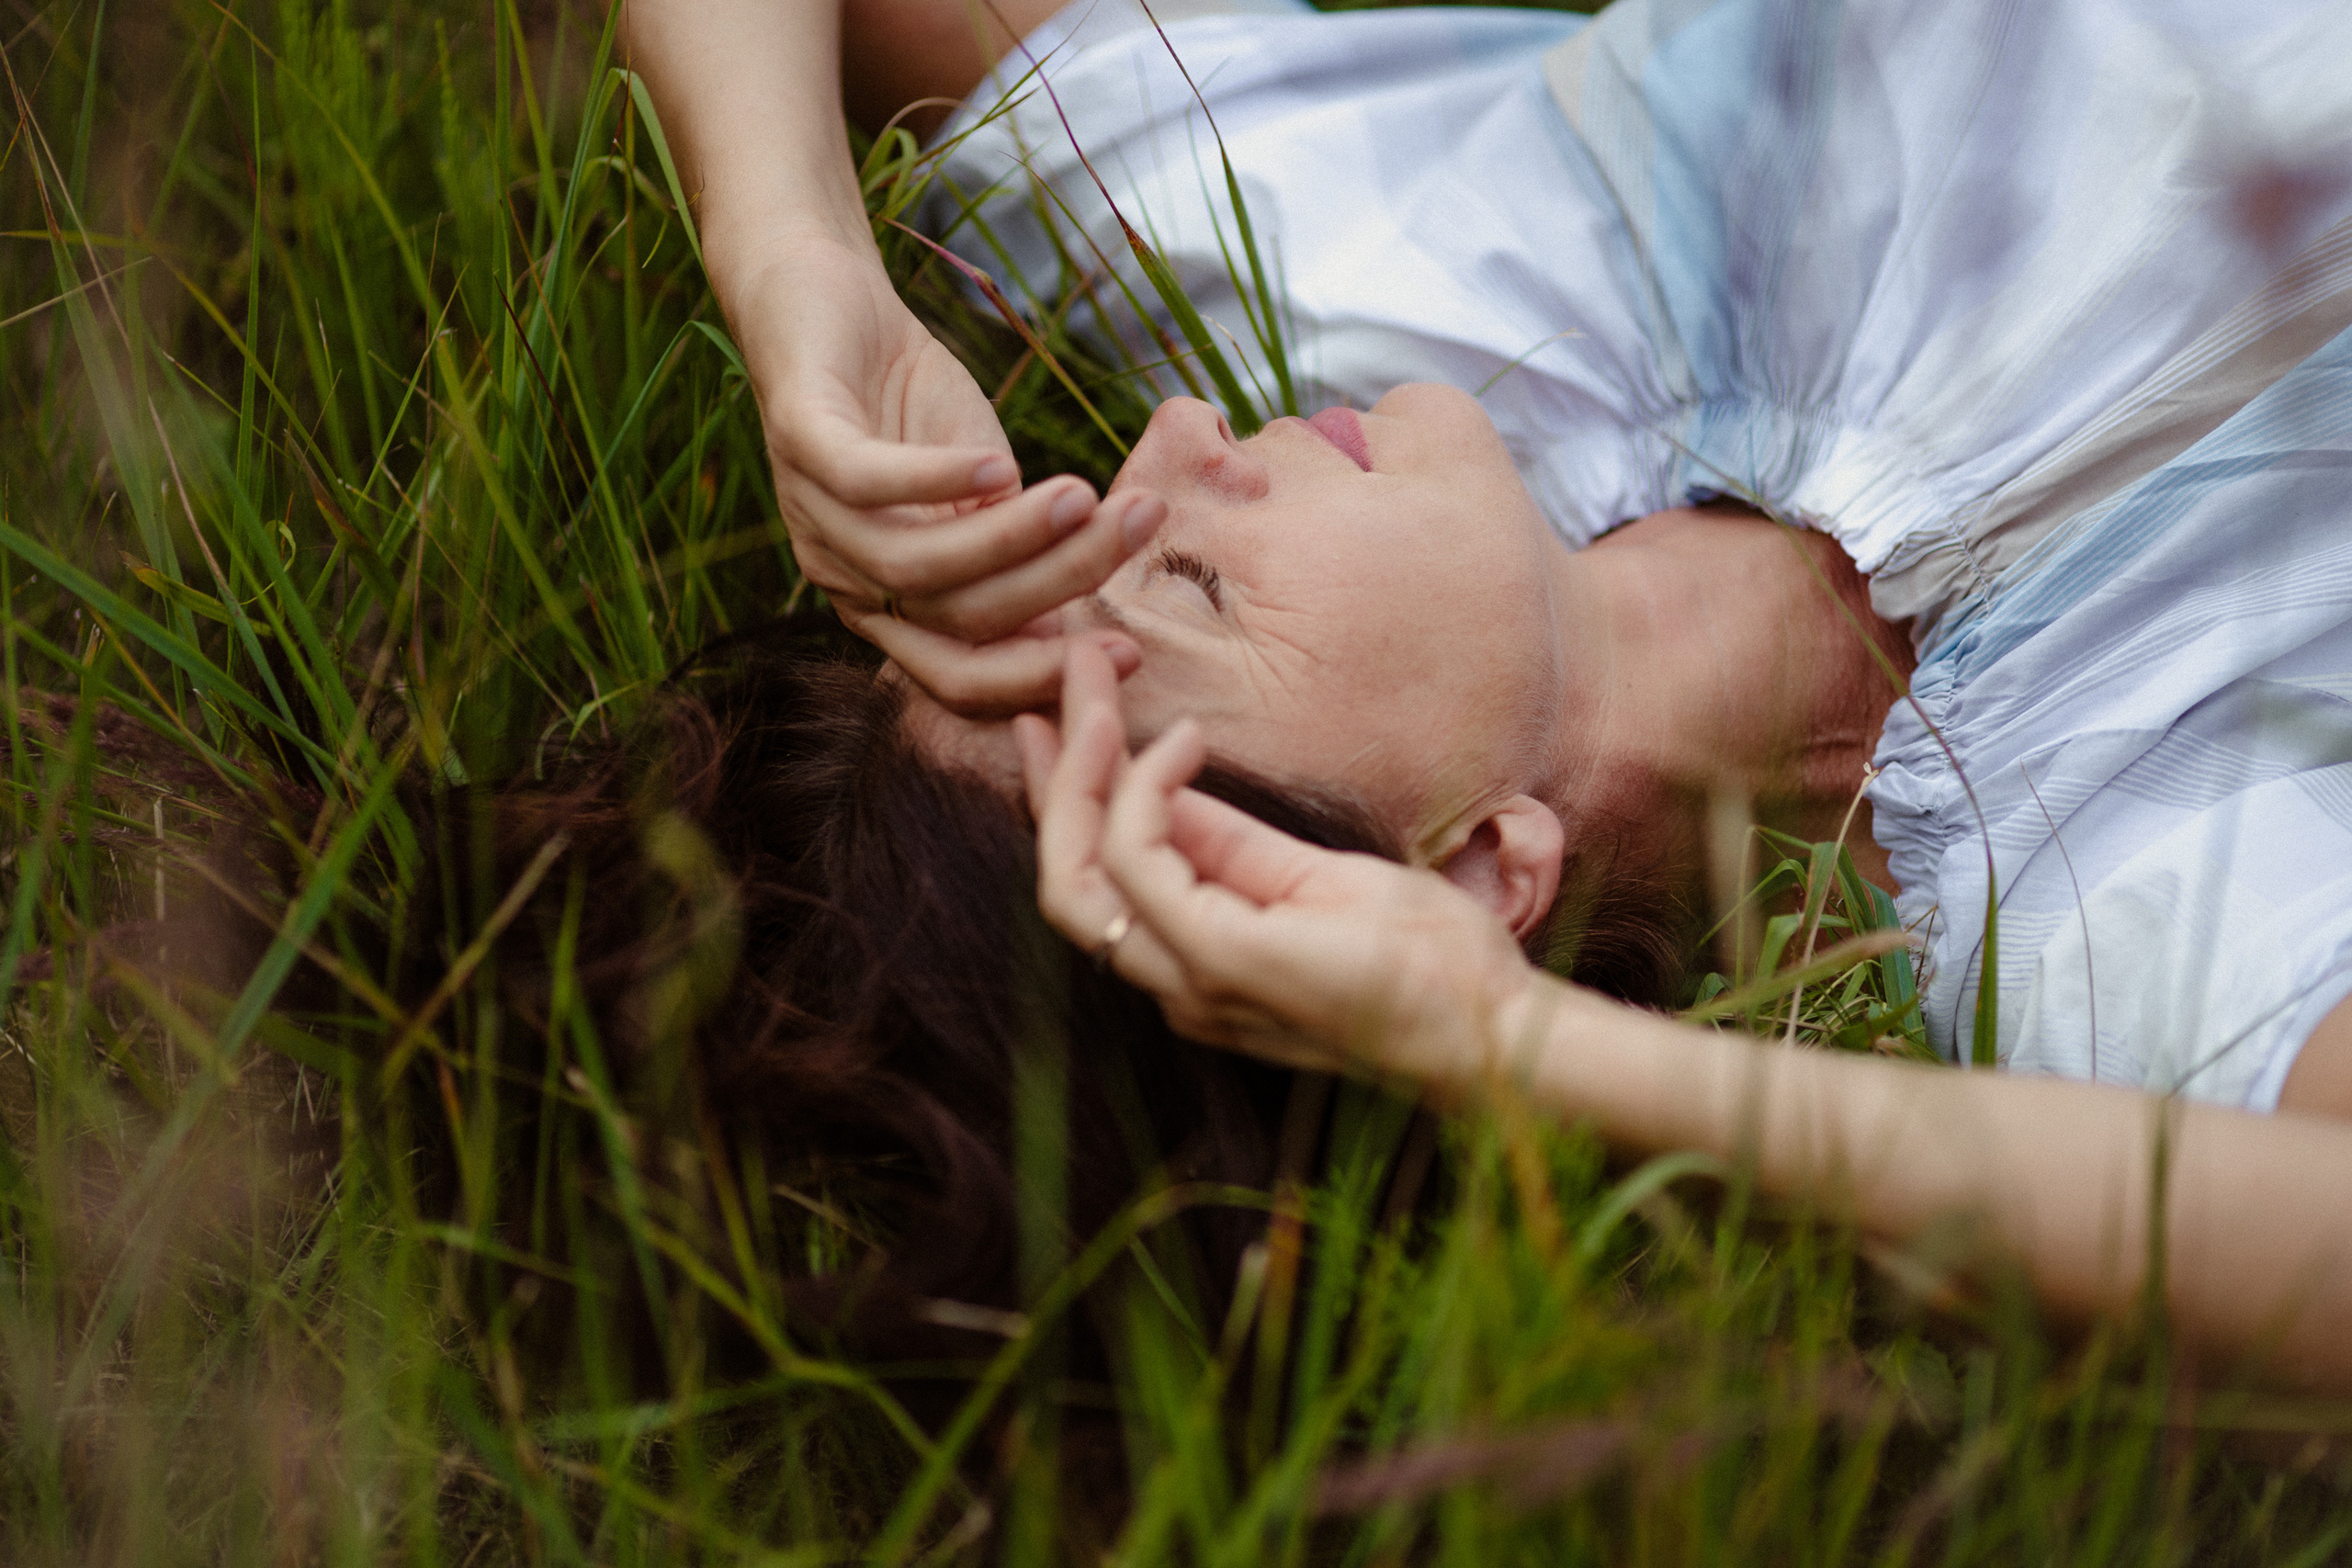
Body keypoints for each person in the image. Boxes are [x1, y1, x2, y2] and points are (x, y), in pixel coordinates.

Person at [621, 0, 2352, 1387]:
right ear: (1456, 876)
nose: (1182, 440)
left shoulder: (1405, 290)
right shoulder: (2123, 888)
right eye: (1192, 585)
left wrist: (795, 267)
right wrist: (1514, 1051)